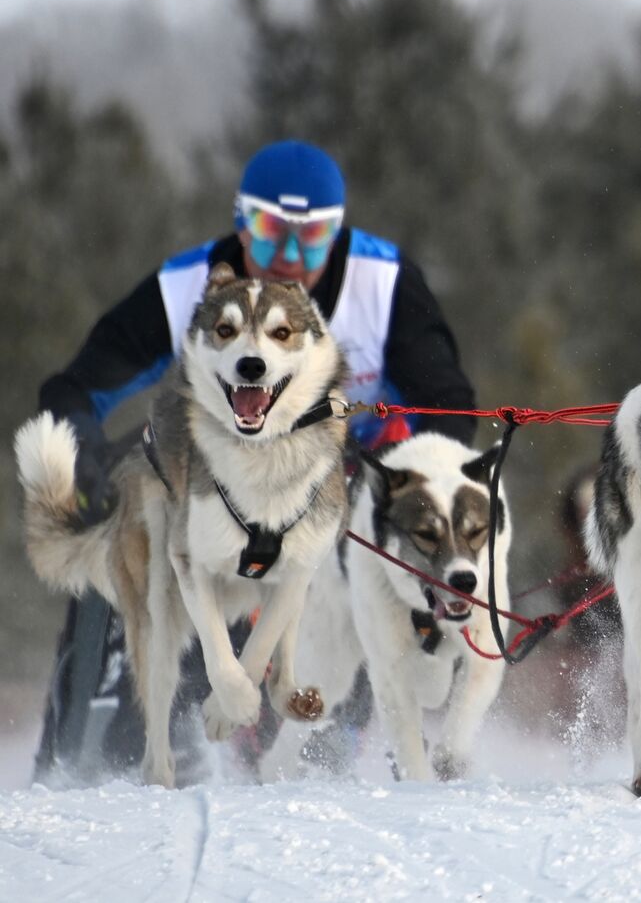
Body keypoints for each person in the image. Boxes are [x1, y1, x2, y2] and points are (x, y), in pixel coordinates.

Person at [33, 139, 479, 782]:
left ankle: (336, 734)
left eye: (313, 236)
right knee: (137, 523)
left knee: (354, 544)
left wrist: (391, 465)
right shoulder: (192, 284)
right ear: (241, 222)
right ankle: (102, 745)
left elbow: (450, 409)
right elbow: (80, 386)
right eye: (272, 233)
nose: (292, 258)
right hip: (219, 478)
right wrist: (84, 447)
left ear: (339, 230)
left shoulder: (382, 284)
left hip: (339, 483)